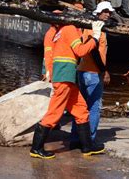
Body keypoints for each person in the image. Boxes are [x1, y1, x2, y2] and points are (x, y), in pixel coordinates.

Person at [30, 20, 106, 159]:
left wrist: (49, 72)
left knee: (81, 109)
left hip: (66, 77)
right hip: (65, 77)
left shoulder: (61, 31)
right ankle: (36, 148)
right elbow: (81, 51)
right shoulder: (70, 29)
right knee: (55, 113)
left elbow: (53, 53)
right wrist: (95, 36)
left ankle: (87, 146)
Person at [70, 1, 113, 148]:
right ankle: (89, 140)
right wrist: (103, 70)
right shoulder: (94, 28)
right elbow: (93, 51)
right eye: (105, 11)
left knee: (80, 106)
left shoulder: (94, 26)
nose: (108, 14)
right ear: (98, 12)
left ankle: (76, 138)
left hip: (84, 71)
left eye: (110, 12)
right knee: (94, 107)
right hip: (92, 73)